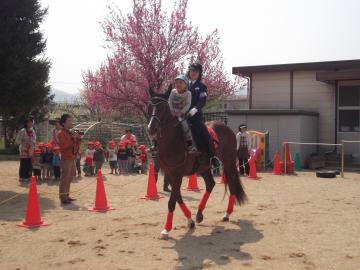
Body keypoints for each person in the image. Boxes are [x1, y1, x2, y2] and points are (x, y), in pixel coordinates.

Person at [187, 63, 221, 168]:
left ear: (199, 73)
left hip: (195, 116)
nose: (193, 73)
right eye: (192, 70)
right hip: (181, 114)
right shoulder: (183, 84)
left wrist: (194, 109)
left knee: (203, 131)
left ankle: (213, 156)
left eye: (196, 71)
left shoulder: (201, 86)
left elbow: (202, 101)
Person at [168, 74, 196, 152]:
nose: (178, 84)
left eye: (181, 83)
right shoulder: (173, 91)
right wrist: (171, 111)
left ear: (186, 84)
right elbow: (169, 101)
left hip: (181, 114)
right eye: (176, 82)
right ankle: (156, 142)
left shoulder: (188, 93)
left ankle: (189, 143)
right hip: (172, 112)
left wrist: (181, 112)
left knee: (184, 125)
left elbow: (188, 104)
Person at [58, 113, 79, 204]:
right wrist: (73, 139)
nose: (71, 122)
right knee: (65, 178)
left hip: (72, 157)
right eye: (69, 121)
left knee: (70, 177)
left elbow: (76, 146)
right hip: (66, 158)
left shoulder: (70, 132)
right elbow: (63, 146)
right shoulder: (61, 133)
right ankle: (63, 197)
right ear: (63, 123)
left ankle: (67, 195)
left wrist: (78, 138)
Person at [16, 117, 36, 182]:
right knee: (23, 163)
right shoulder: (23, 131)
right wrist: (23, 141)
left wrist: (32, 145)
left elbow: (35, 140)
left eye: (32, 122)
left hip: (30, 150)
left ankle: (28, 176)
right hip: (24, 149)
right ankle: (22, 177)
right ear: (26, 123)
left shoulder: (33, 131)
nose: (31, 124)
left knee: (29, 163)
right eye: (29, 122)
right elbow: (17, 140)